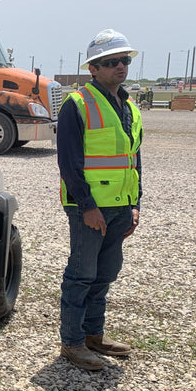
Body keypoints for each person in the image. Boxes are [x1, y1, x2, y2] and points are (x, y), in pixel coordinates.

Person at [57, 29, 143, 370]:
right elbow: (69, 162)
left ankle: (94, 334)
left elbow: (134, 159)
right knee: (81, 274)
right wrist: (88, 206)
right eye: (111, 62)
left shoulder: (130, 106)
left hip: (121, 205)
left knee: (106, 273)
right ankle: (73, 343)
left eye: (124, 60)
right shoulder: (77, 104)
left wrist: (136, 205)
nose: (120, 66)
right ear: (94, 68)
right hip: (89, 208)